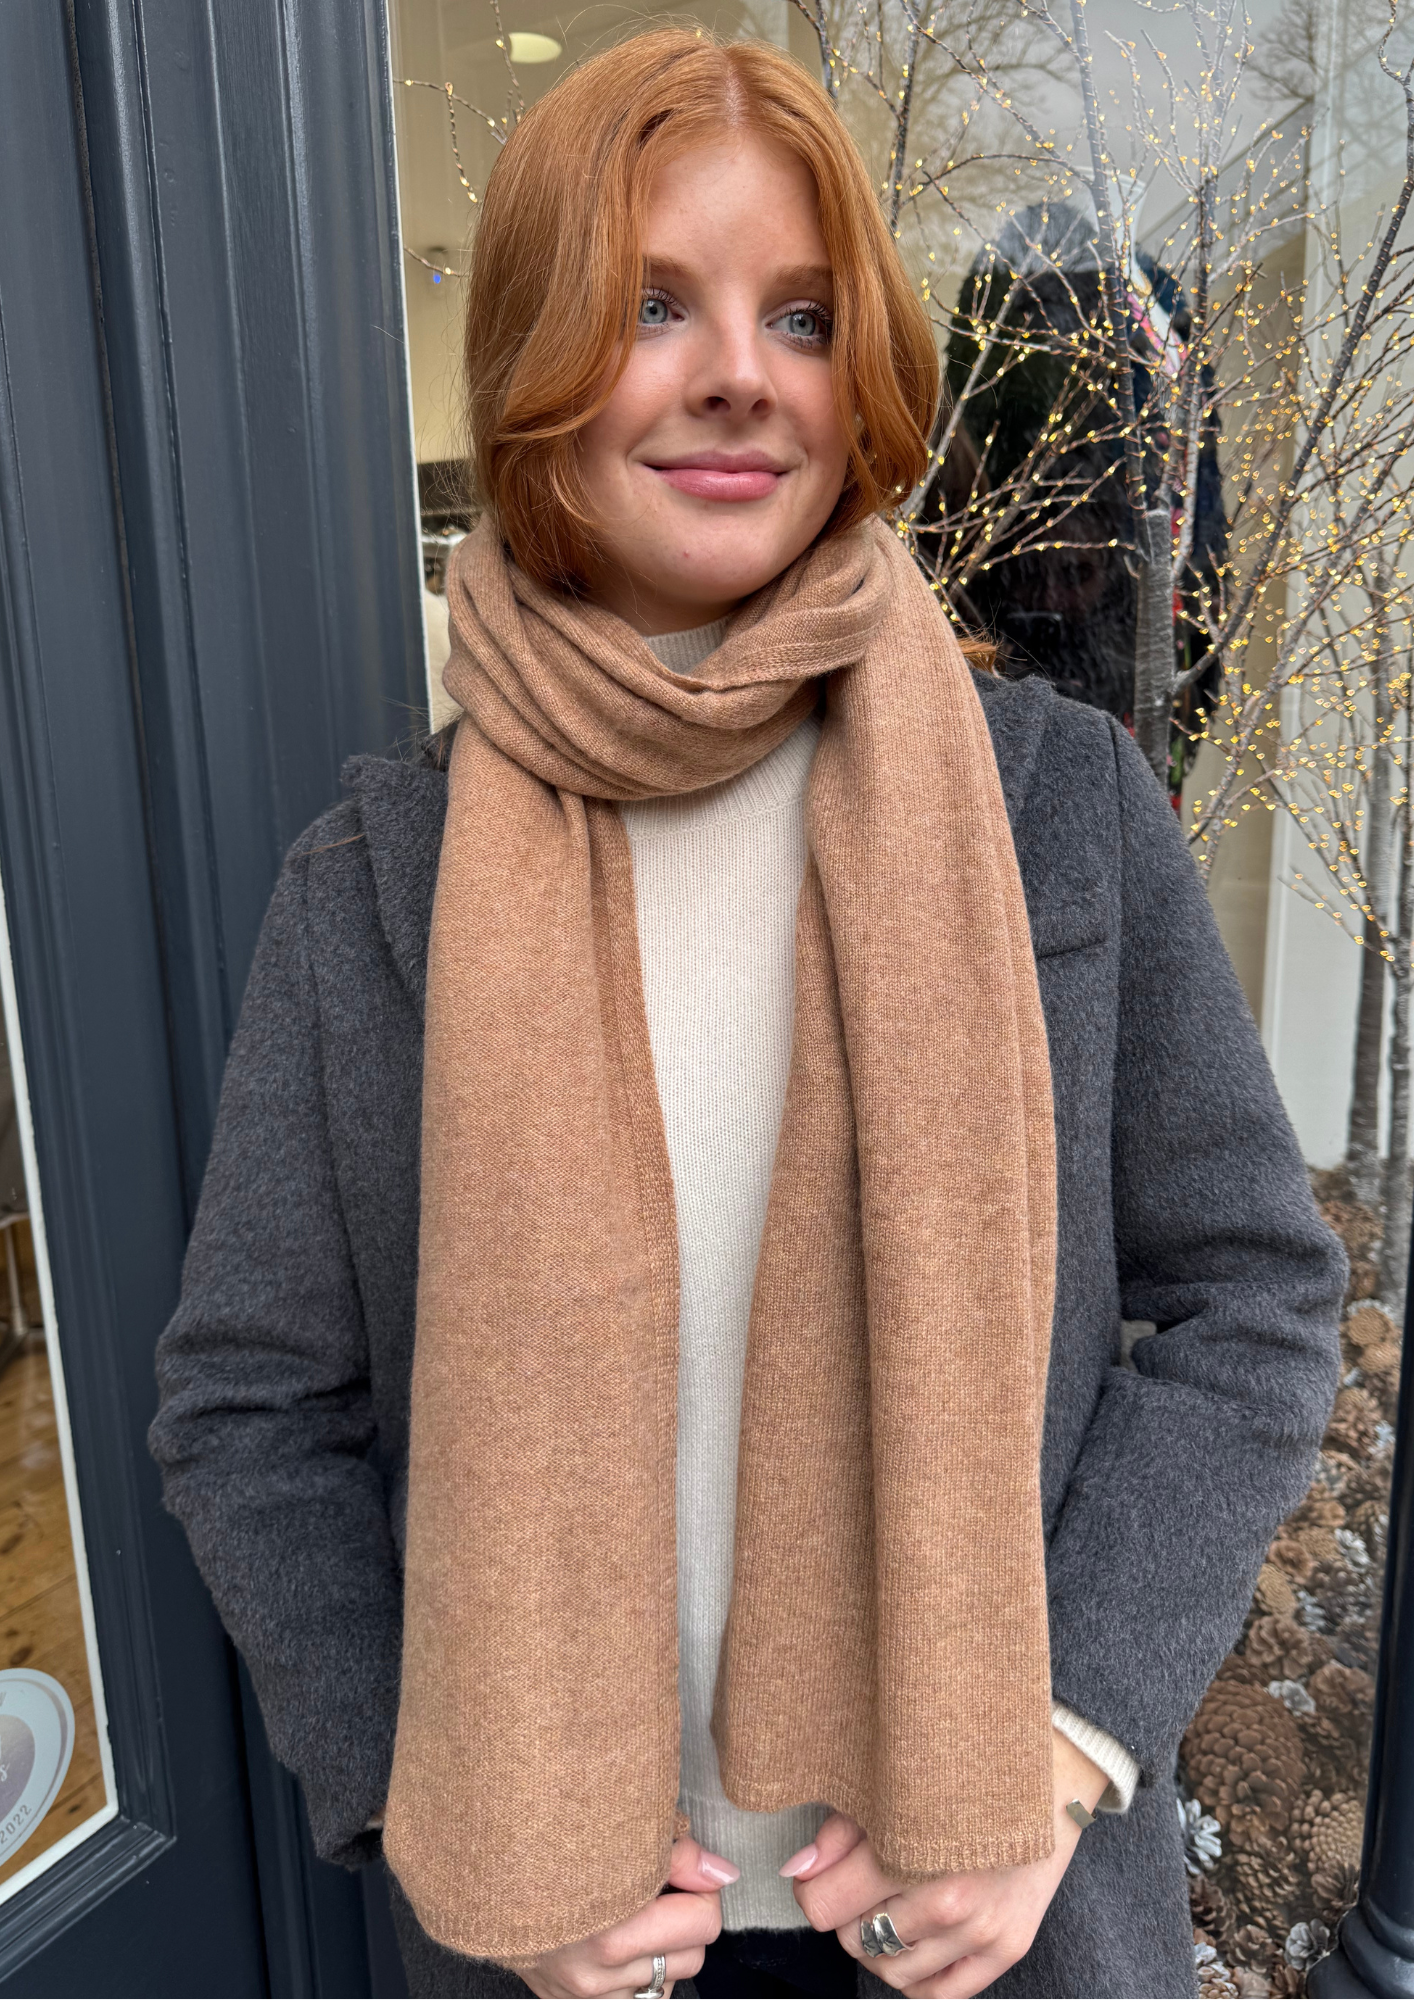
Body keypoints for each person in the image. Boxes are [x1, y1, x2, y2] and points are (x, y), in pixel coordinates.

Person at [148, 29, 1345, 2000]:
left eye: (797, 313)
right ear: (534, 356)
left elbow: (1252, 1299)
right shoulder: (377, 884)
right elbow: (246, 1410)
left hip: (984, 1923)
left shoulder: (1049, 814)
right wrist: (431, 1806)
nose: (733, 371)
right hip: (571, 1945)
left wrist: (1059, 1750)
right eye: (648, 305)